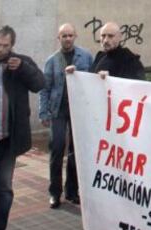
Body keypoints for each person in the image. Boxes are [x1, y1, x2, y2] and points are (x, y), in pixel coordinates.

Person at [0, 25, 45, 230]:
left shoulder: (20, 62)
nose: (1, 50)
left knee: (3, 187)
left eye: (6, 46)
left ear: (12, 46)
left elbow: (40, 84)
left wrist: (23, 68)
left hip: (7, 140)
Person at [39, 23, 93, 209]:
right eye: (64, 36)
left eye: (70, 35)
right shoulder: (52, 60)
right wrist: (43, 112)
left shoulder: (85, 56)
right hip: (58, 111)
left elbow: (93, 82)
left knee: (75, 152)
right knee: (57, 149)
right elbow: (44, 89)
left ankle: (72, 191)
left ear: (75, 36)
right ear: (59, 38)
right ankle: (55, 193)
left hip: (79, 110)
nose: (68, 38)